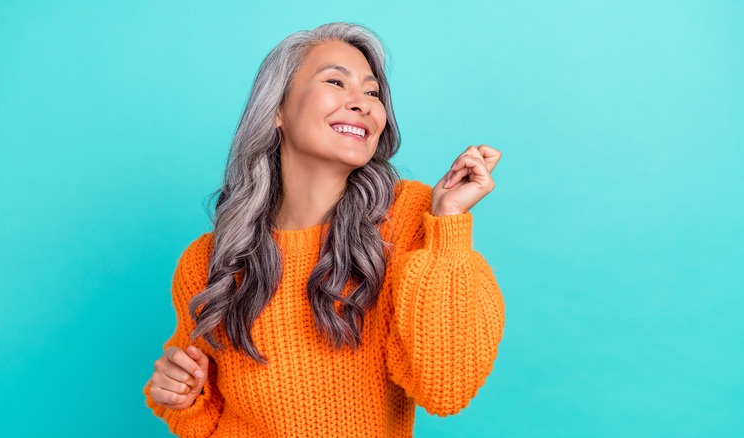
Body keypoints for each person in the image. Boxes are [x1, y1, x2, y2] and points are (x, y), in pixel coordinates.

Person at [143, 21, 505, 437]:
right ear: (277, 108)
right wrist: (184, 397)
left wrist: (448, 228)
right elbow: (203, 418)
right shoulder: (210, 260)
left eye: (372, 93)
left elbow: (446, 389)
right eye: (337, 81)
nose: (363, 103)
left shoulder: (409, 218)